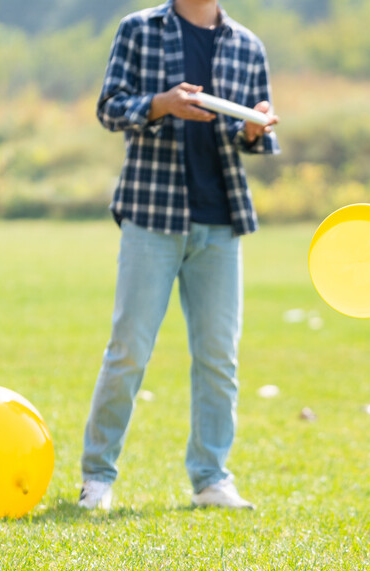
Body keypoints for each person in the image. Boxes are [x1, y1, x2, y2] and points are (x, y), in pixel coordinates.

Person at [79, 0, 280, 511]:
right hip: (152, 215)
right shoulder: (139, 30)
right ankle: (97, 478)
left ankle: (212, 479)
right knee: (129, 350)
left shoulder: (247, 45)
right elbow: (109, 107)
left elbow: (251, 134)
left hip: (221, 220)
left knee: (219, 357)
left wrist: (255, 129)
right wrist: (161, 104)